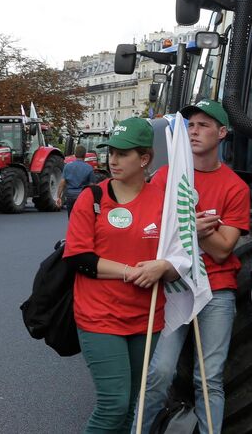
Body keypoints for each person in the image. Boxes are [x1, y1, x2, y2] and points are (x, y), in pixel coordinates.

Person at [137, 100, 249, 434]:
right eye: (190, 125)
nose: (194, 131)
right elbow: (154, 231)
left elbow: (224, 249)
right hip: (174, 288)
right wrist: (193, 227)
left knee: (209, 378)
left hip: (216, 290)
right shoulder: (166, 177)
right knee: (159, 372)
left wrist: (189, 229)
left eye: (203, 125)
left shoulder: (236, 187)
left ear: (223, 132)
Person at [63, 117, 178, 433]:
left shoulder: (165, 201)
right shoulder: (93, 197)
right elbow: (79, 258)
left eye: (123, 153)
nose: (113, 160)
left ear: (144, 159)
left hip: (146, 318)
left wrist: (164, 267)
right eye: (111, 152)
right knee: (112, 405)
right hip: (100, 317)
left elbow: (179, 255)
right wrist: (129, 272)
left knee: (130, 409)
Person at [57, 144, 95, 217]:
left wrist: (58, 197)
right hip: (83, 196)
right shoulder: (89, 168)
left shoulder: (67, 166)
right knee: (82, 218)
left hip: (70, 196)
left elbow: (62, 183)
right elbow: (92, 185)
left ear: (75, 154)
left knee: (71, 218)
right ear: (85, 155)